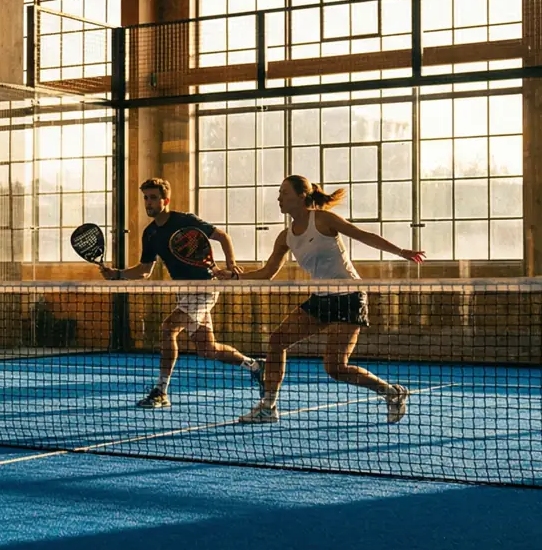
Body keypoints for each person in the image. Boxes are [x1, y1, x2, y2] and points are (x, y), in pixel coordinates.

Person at [237, 175, 425, 424]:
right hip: (321, 298)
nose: (279, 198)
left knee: (335, 368)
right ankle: (268, 406)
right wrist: (233, 277)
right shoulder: (285, 237)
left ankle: (392, 393)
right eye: (279, 193)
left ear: (302, 196)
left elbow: (363, 235)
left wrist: (401, 252)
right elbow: (267, 273)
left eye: (284, 192)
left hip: (349, 297)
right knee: (277, 341)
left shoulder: (323, 219)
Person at [100, 178, 262, 408]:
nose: (148, 202)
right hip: (184, 292)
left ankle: (161, 391)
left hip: (205, 289)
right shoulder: (150, 234)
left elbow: (222, 236)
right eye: (146, 198)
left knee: (168, 328)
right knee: (207, 349)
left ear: (165, 200)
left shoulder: (186, 221)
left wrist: (231, 264)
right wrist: (117, 274)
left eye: (153, 197)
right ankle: (255, 365)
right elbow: (144, 270)